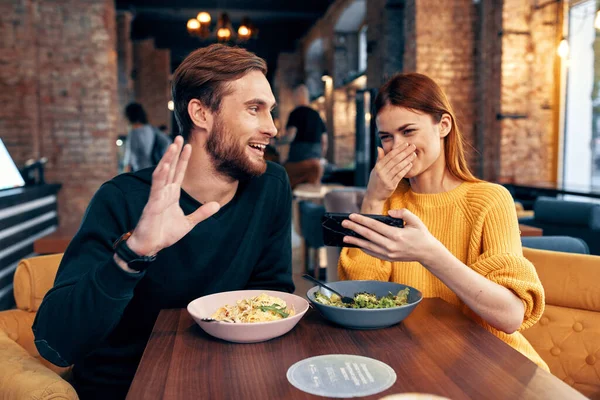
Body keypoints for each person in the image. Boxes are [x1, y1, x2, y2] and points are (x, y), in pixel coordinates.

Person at [33, 44, 293, 399]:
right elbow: (55, 342)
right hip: (127, 387)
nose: (272, 128)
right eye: (254, 109)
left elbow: (272, 294)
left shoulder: (270, 186)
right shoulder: (123, 198)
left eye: (270, 111)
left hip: (225, 376)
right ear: (201, 114)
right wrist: (134, 253)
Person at [337, 72, 548, 370]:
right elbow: (358, 302)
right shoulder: (387, 202)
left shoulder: (490, 199)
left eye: (408, 131)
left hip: (493, 363)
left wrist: (428, 253)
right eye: (387, 136)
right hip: (413, 361)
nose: (397, 147)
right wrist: (372, 200)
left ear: (443, 126)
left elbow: (510, 316)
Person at [281, 84, 328, 188]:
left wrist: (277, 142)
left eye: (294, 97)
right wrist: (319, 158)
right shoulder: (317, 115)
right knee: (310, 194)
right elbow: (324, 142)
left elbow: (290, 136)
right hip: (316, 164)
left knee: (280, 177)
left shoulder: (295, 113)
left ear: (298, 96)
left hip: (298, 162)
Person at [122, 102, 155, 172]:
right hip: (152, 169)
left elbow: (129, 159)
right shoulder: (149, 129)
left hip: (140, 171)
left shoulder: (134, 133)